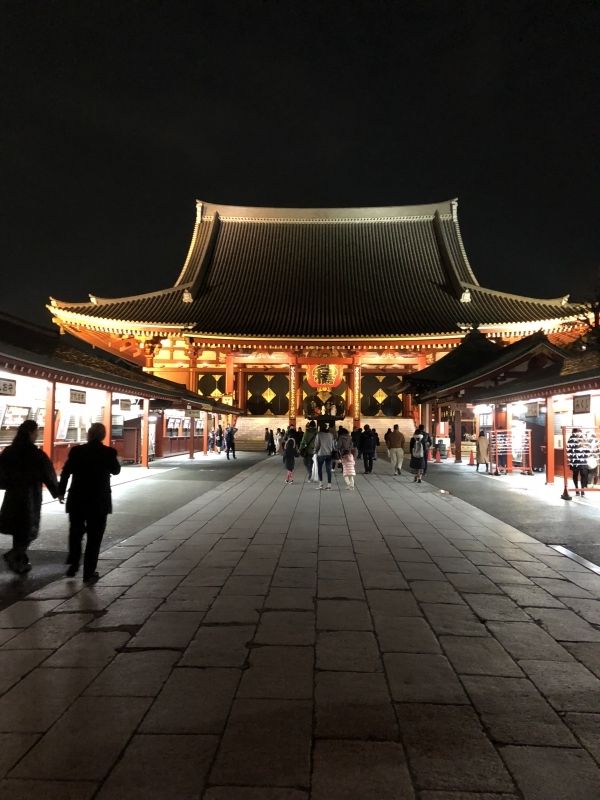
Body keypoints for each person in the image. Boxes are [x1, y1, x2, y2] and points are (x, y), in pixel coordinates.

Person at [57, 422, 121, 583]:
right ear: (103, 436)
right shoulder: (108, 452)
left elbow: (65, 472)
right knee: (94, 538)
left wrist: (61, 491)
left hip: (77, 499)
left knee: (75, 533)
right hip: (99, 501)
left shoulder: (77, 451)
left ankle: (73, 563)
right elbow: (116, 470)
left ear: (89, 434)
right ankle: (89, 573)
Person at [0, 419, 59, 574]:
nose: (36, 435)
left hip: (12, 496)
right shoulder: (36, 454)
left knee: (18, 529)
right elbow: (48, 474)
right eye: (36, 432)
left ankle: (20, 563)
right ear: (30, 433)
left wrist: (7, 484)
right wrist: (57, 491)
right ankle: (14, 555)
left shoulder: (9, 451)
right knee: (28, 530)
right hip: (30, 497)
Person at [567, 428, 592, 497]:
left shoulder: (583, 439)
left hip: (583, 460)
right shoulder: (571, 439)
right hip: (575, 460)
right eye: (578, 432)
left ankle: (582, 489)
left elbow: (588, 449)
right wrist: (577, 447)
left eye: (580, 432)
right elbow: (569, 450)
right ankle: (576, 489)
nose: (579, 433)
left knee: (584, 474)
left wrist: (586, 447)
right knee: (575, 474)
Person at [314, 422, 335, 489]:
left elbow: (317, 445)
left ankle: (321, 484)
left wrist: (315, 451)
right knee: (328, 469)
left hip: (321, 454)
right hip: (329, 453)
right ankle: (329, 485)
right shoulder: (331, 435)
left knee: (319, 469)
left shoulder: (319, 434)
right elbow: (333, 444)